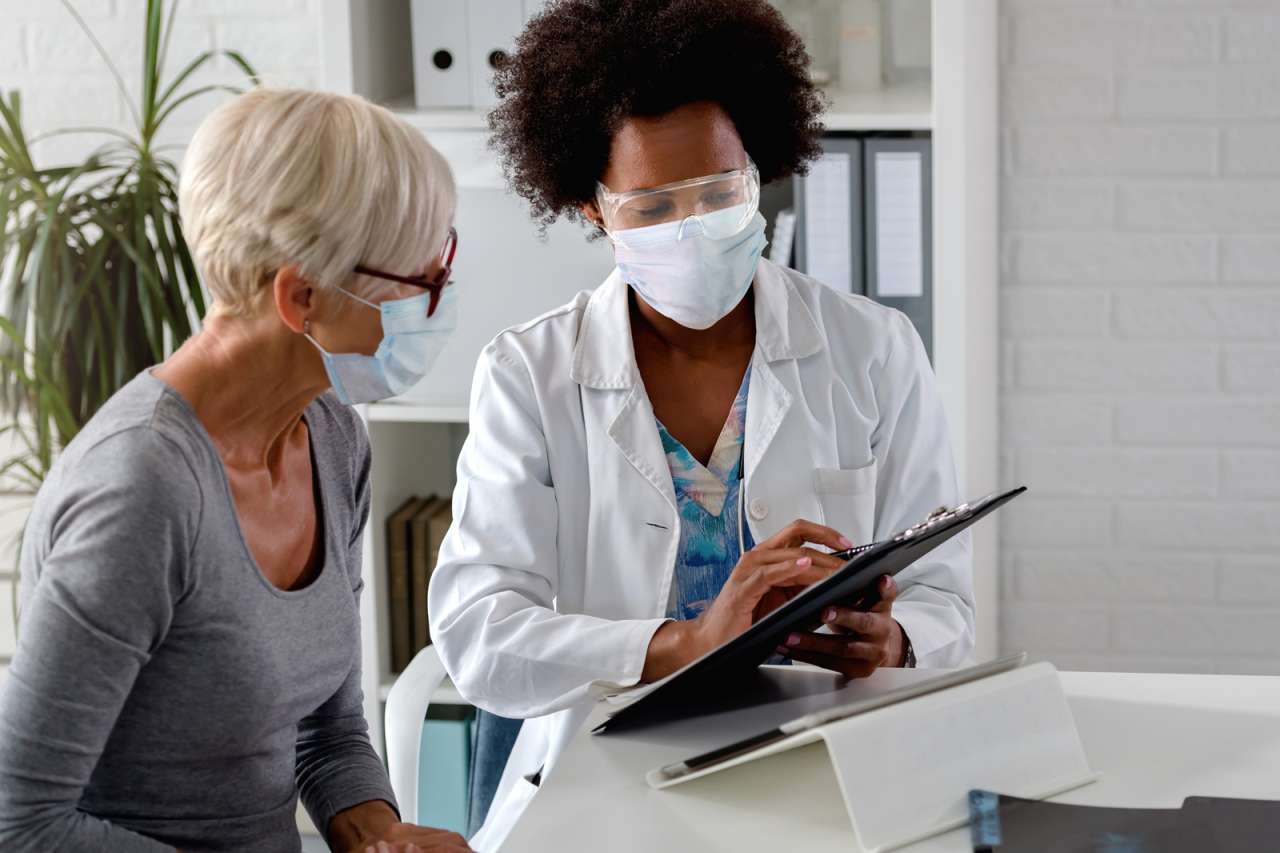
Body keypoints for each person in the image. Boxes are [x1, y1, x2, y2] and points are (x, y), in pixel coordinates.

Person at [426, 0, 976, 848]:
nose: (692, 231)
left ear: (758, 171)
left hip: (833, 761)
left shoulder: (874, 349)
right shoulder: (528, 374)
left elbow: (947, 599)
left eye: (719, 192)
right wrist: (685, 641)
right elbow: (480, 635)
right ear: (591, 208)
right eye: (651, 207)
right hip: (608, 774)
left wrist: (895, 639)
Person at [0, 89, 469, 853]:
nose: (442, 302)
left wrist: (384, 834)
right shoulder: (141, 490)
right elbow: (20, 825)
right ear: (302, 297)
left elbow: (325, 727)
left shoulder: (331, 436)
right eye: (424, 283)